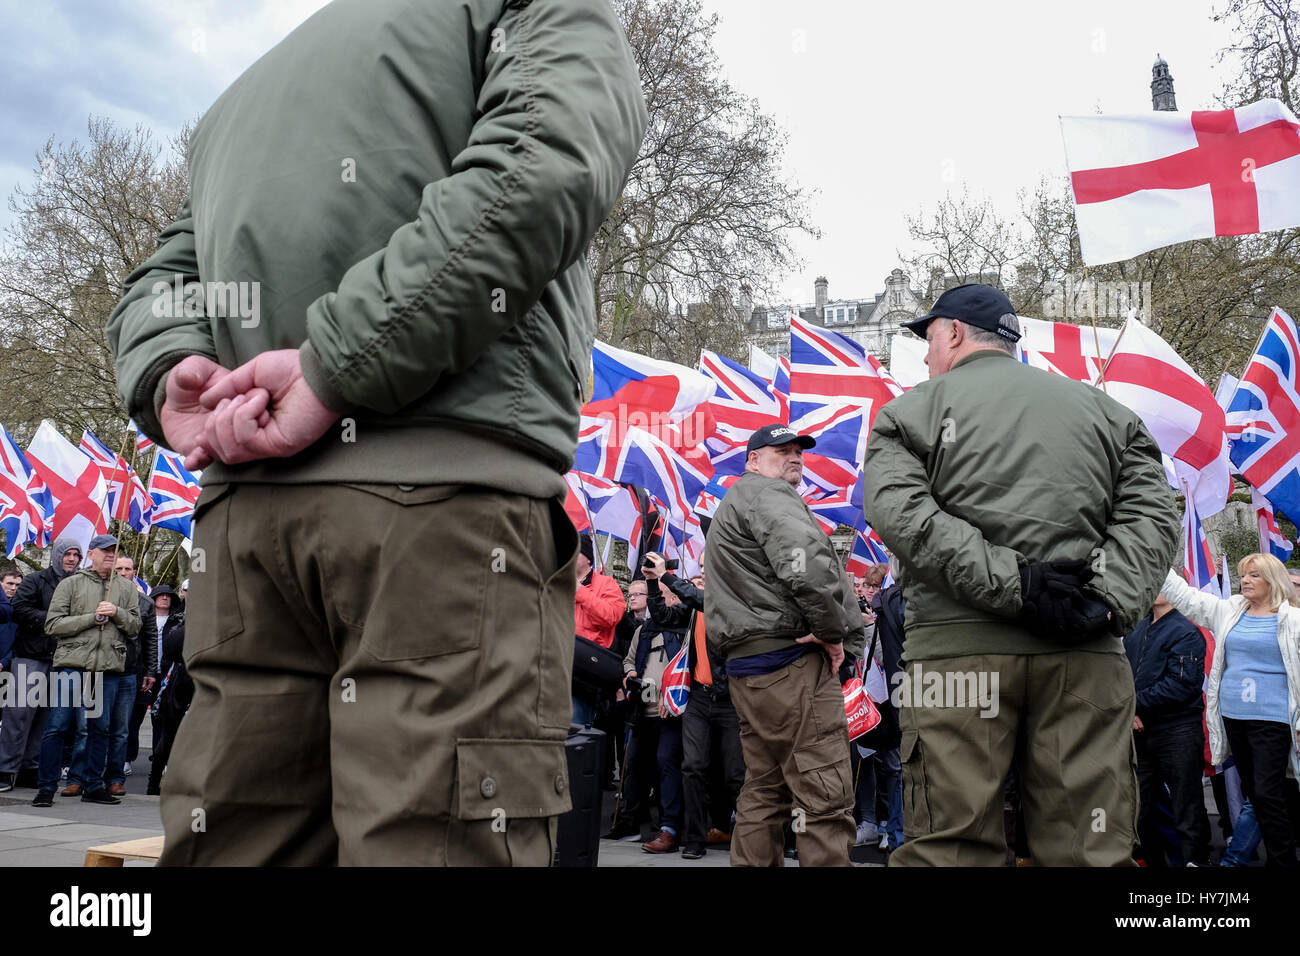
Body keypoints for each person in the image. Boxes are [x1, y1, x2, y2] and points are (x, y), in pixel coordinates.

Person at [104, 0, 646, 865]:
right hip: (442, 512)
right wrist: (335, 366)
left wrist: (173, 374)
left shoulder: (250, 88)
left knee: (239, 838)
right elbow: (542, 169)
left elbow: (163, 279)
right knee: (434, 843)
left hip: (247, 531)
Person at [863, 283, 1179, 867]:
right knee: (1090, 849)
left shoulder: (909, 414)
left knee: (951, 851)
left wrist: (1019, 584)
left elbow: (904, 517)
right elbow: (1155, 512)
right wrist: (1107, 600)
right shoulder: (1108, 413)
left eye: (928, 338)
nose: (927, 356)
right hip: (1085, 657)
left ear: (954, 332)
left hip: (957, 660)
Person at [705, 423, 864, 867]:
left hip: (752, 670)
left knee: (763, 791)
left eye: (799, 451)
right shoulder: (768, 494)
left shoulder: (736, 501)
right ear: (753, 459)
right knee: (824, 796)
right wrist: (832, 632)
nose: (794, 457)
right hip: (791, 664)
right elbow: (808, 567)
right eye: (782, 451)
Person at [1160, 554, 1300, 867]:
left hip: (1274, 720)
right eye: (1243, 575)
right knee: (1258, 793)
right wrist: (1153, 559)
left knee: (1266, 794)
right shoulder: (1230, 611)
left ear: (1271, 580)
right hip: (1234, 718)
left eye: (1254, 576)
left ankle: (1283, 860)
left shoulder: (1293, 620)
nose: (1245, 581)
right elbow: (1187, 597)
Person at [644, 558, 743, 861]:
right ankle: (695, 839)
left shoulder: (729, 596)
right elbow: (661, 615)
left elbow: (703, 599)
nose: (702, 567)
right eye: (700, 563)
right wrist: (651, 582)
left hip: (731, 701)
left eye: (707, 562)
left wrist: (667, 576)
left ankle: (747, 839)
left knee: (736, 774)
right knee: (692, 767)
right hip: (699, 699)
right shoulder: (694, 606)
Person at [32, 535, 142, 807]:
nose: (109, 556)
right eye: (104, 551)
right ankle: (45, 787)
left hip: (106, 669)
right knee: (58, 726)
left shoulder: (127, 588)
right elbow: (53, 625)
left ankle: (93, 785)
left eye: (114, 552)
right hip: (73, 665)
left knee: (99, 729)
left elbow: (136, 627)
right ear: (90, 554)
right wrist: (91, 618)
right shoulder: (71, 584)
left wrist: (117, 612)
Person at [1124, 594, 1211, 866]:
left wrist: (1134, 706)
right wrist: (1131, 711)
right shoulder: (1138, 627)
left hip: (1178, 731)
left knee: (1186, 804)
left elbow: (1181, 686)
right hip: (1140, 733)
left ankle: (1195, 861)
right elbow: (1122, 673)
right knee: (1139, 807)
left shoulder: (1186, 630)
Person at [0, 540, 81, 793]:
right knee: (18, 714)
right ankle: (5, 769)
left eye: (76, 555)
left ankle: (29, 768)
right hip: (30, 654)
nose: (71, 559)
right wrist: (54, 620)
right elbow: (19, 609)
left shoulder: (78, 584)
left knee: (45, 718)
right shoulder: (35, 580)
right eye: (67, 554)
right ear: (57, 555)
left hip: (60, 657)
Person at [619, 570, 689, 852]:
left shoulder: (684, 630)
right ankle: (631, 823)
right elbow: (627, 660)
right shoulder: (642, 630)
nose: (665, 599)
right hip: (643, 709)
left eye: (668, 595)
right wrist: (630, 671)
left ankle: (669, 828)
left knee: (666, 766)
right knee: (637, 767)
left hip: (670, 711)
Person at [103, 557, 157, 795]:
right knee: (94, 725)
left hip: (130, 671)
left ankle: (116, 776)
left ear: (135, 572)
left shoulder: (145, 602)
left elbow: (151, 639)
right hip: (101, 668)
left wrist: (150, 671)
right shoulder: (101, 595)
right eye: (119, 569)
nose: (123, 572)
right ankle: (85, 775)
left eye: (128, 569)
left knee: (123, 727)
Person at [572, 534, 627, 726]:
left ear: (587, 557)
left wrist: (580, 592)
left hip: (586, 674)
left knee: (576, 730)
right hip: (555, 668)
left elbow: (611, 616)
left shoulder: (607, 584)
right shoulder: (556, 584)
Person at [126, 583, 181, 773]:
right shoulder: (144, 617)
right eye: (161, 595)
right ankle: (127, 757)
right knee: (134, 717)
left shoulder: (177, 621)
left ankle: (161, 759)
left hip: (166, 675)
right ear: (154, 597)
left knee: (163, 718)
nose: (165, 598)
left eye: (169, 595)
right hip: (144, 673)